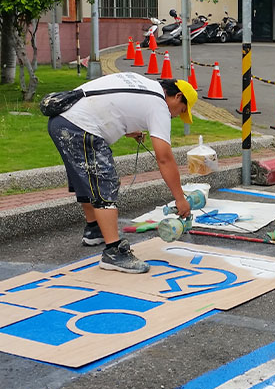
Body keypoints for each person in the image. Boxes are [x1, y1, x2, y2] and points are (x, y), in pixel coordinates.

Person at [47, 72, 197, 273]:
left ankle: (94, 230)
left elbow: (111, 101)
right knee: (105, 183)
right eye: (181, 110)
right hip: (80, 126)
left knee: (86, 177)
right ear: (178, 96)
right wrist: (180, 199)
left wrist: (129, 129)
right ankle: (113, 252)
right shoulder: (159, 105)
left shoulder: (144, 84)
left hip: (62, 120)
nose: (176, 115)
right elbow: (164, 157)